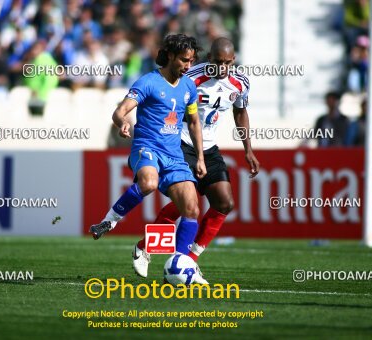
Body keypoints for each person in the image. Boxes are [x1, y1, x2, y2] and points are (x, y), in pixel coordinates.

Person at [132, 37, 260, 280]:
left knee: (224, 202)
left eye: (226, 63)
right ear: (208, 58)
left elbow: (240, 113)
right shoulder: (191, 77)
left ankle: (188, 260)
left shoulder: (240, 83)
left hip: (209, 147)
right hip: (181, 143)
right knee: (189, 204)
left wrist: (248, 150)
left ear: (234, 61)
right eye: (217, 62)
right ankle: (146, 248)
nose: (221, 68)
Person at [88, 34, 208, 282]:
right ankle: (109, 222)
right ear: (171, 56)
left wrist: (200, 157)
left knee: (192, 208)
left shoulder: (189, 87)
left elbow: (194, 122)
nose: (188, 66)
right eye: (184, 60)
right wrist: (122, 124)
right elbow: (120, 111)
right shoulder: (148, 82)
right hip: (147, 147)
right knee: (149, 183)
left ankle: (179, 263)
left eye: (191, 61)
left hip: (174, 155)